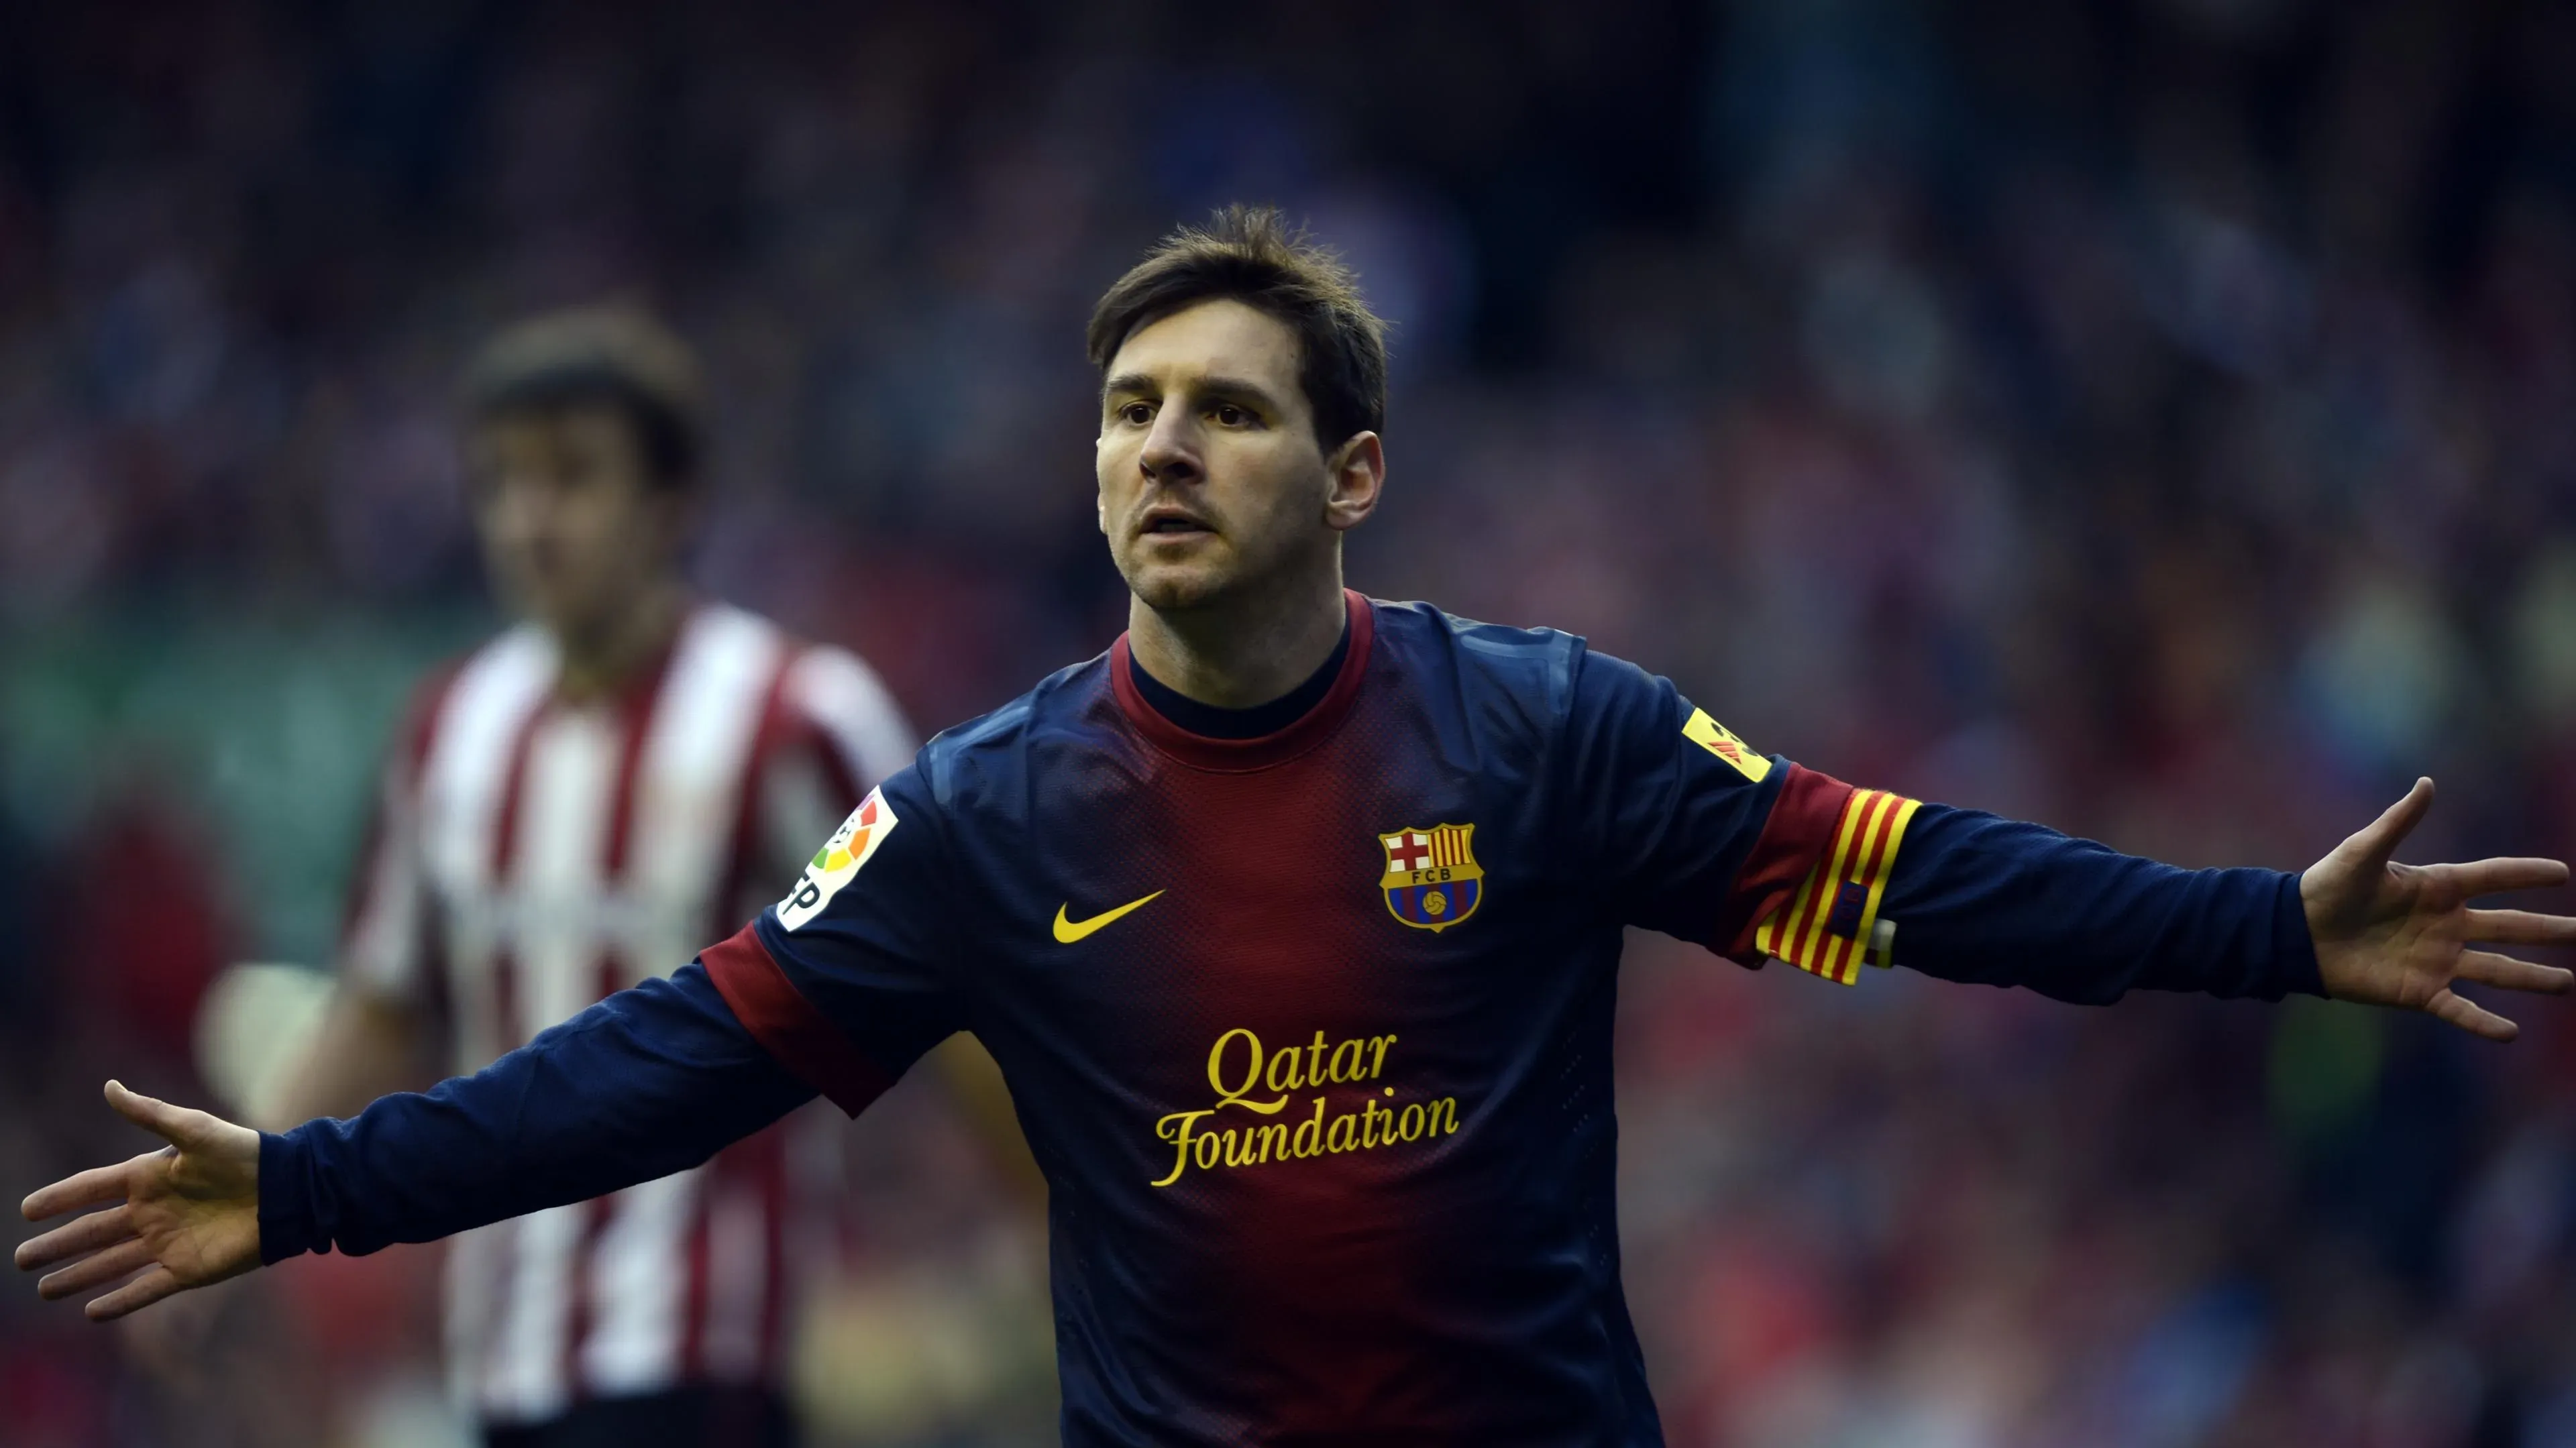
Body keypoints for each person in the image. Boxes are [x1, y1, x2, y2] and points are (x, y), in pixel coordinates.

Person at [18, 209, 2576, 1446]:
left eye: (1221, 407)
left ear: (1352, 469)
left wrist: (2266, 929)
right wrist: (315, 1181)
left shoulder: (1547, 731)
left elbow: (1907, 880)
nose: (1159, 445)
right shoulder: (985, 811)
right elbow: (669, 1058)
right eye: (1127, 407)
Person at [248, 307, 928, 1447]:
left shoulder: (799, 715)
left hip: (707, 1357)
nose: (529, 520)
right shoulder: (448, 729)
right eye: (503, 484)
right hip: (503, 1365)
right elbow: (379, 1004)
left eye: (571, 479)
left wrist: (1086, 1220)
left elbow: (950, 995)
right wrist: (243, 1189)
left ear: (671, 505)